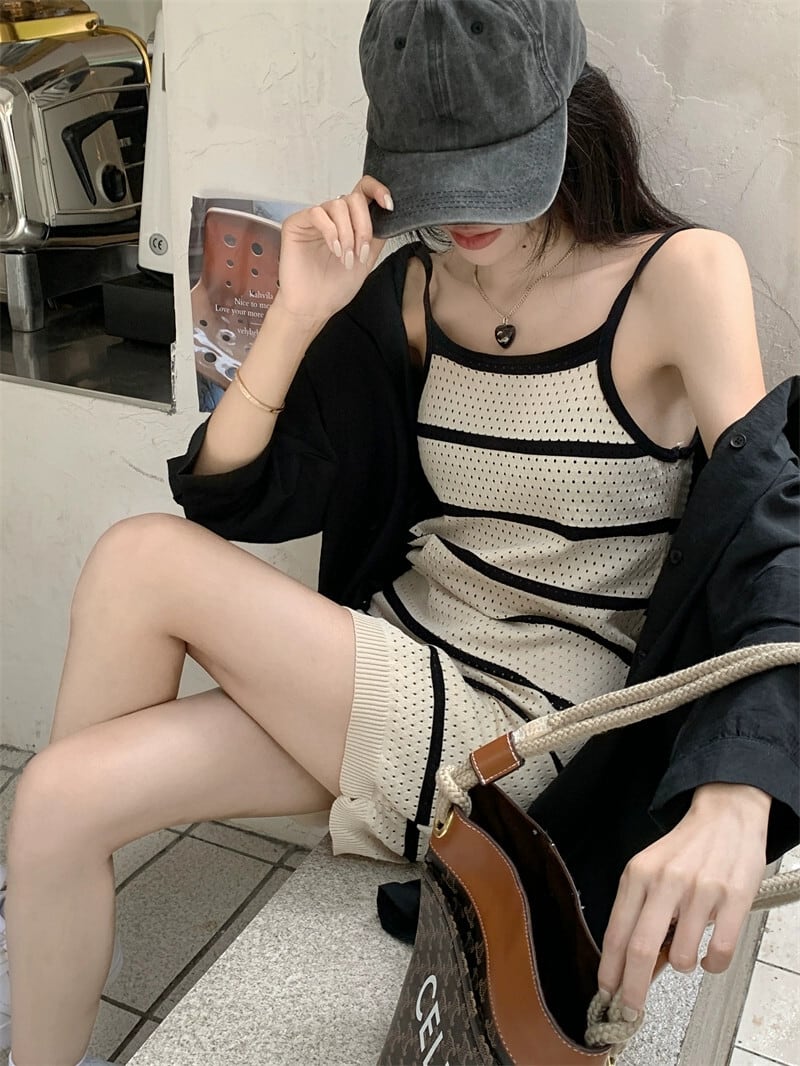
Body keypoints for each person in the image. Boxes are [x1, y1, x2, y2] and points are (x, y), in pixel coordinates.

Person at [3, 1, 798, 1064]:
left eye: (490, 169)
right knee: (57, 800)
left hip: (525, 734)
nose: (460, 213)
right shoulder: (416, 287)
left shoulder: (679, 277)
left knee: (140, 559)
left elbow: (768, 532)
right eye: (434, 173)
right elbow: (233, 497)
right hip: (386, 677)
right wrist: (298, 312)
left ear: (562, 114)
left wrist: (738, 789)